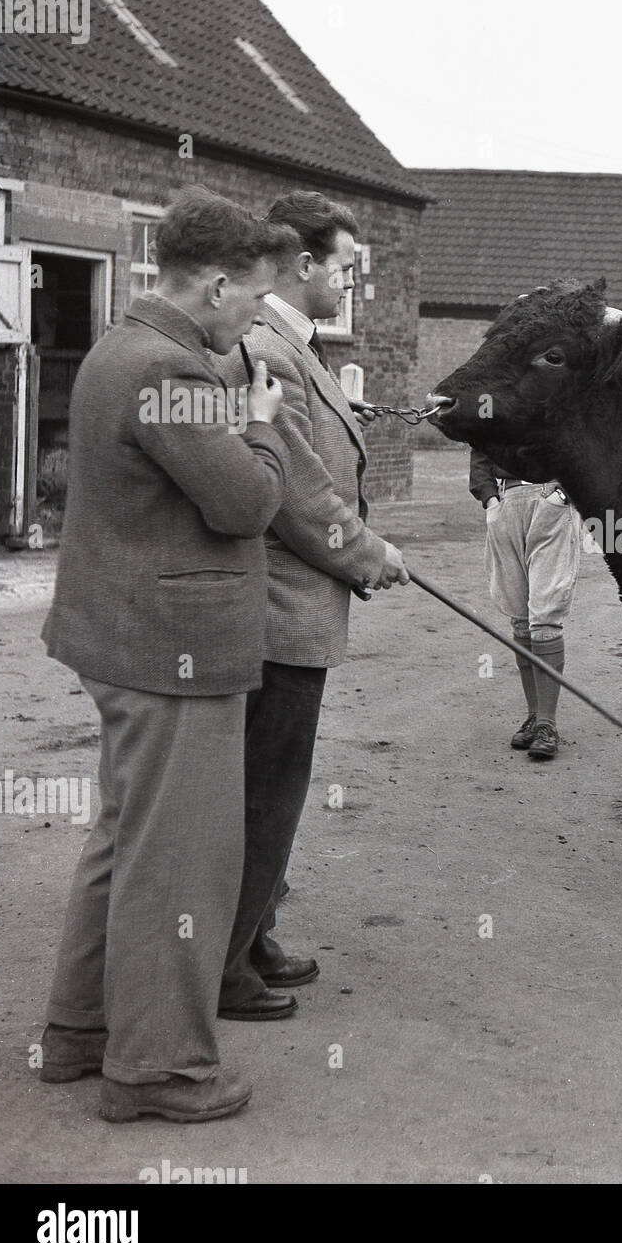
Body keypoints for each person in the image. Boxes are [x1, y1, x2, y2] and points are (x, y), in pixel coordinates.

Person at [37, 190, 295, 1123]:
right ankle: (159, 1070)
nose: (257, 317)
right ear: (217, 282)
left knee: (125, 840)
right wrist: (262, 416)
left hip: (121, 638)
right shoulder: (172, 372)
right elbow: (246, 504)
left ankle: (80, 1032)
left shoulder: (124, 346)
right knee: (181, 863)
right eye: (255, 300)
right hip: (171, 651)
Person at [216, 192, 411, 1021]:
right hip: (275, 614)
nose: (352, 283)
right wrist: (371, 555)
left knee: (277, 788)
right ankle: (224, 967)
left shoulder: (300, 348)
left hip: (294, 612)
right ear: (303, 266)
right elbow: (295, 493)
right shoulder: (270, 351)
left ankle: (252, 933)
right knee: (263, 792)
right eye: (344, 268)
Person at [471, 449, 580, 759]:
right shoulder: (493, 401)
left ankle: (547, 724)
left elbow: (580, 434)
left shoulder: (559, 397)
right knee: (519, 616)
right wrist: (490, 498)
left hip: (550, 498)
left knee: (545, 614)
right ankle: (533, 717)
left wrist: (563, 492)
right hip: (507, 499)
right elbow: (480, 441)